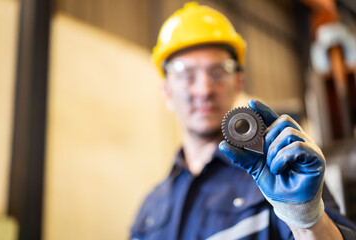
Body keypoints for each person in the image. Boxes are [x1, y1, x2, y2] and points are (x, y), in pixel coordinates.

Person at [130, 2, 356, 239]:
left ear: (238, 82)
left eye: (218, 72)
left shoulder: (281, 176)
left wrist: (306, 218)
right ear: (166, 91)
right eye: (186, 75)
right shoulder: (149, 212)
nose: (204, 89)